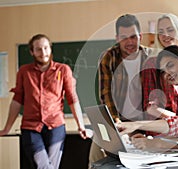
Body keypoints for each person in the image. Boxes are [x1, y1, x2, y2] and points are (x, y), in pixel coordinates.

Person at [0, 34, 88, 169]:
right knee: (42, 166)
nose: (43, 53)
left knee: (51, 166)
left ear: (50, 48)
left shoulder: (63, 70)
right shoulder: (24, 72)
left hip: (56, 126)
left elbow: (72, 98)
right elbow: (17, 100)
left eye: (46, 48)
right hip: (30, 127)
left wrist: (81, 126)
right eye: (38, 49)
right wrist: (7, 128)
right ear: (32, 52)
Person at [88, 14, 151, 167]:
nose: (129, 42)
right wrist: (116, 123)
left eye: (133, 37)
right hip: (116, 119)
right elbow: (105, 93)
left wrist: (140, 127)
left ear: (140, 36)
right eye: (124, 37)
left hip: (144, 121)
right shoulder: (108, 57)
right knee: (95, 154)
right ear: (117, 38)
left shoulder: (150, 57)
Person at [132, 45, 178, 151]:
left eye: (170, 65)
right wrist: (150, 140)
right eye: (163, 71)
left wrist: (156, 143)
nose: (167, 73)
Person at [142, 13, 178, 118]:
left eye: (170, 30)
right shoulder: (152, 63)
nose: (165, 35)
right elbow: (150, 106)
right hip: (164, 127)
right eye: (160, 32)